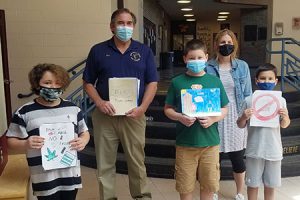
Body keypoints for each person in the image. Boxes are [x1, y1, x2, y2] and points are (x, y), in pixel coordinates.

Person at [82, 8, 158, 200]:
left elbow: (153, 83)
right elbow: (88, 82)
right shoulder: (98, 50)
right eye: (120, 23)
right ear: (112, 26)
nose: (125, 27)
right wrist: (98, 102)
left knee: (137, 162)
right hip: (105, 116)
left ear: (133, 26)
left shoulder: (144, 51)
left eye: (129, 23)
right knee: (105, 163)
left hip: (134, 115)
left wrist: (143, 108)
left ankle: (142, 197)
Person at [6, 63, 90, 200]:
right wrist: (26, 144)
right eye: (47, 82)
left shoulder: (73, 109)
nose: (53, 87)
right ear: (37, 84)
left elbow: (84, 132)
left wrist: (83, 141)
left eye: (58, 83)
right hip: (43, 176)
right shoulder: (24, 112)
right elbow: (11, 141)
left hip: (69, 173)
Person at [164, 39, 229, 200]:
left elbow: (224, 108)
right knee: (185, 187)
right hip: (185, 144)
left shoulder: (214, 82)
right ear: (185, 59)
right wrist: (180, 117)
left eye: (200, 58)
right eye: (192, 58)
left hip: (210, 144)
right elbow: (168, 109)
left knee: (209, 186)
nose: (196, 61)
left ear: (206, 57)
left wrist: (213, 119)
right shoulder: (177, 82)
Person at [206, 29, 252, 200]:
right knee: (214, 157)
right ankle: (214, 191)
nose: (226, 45)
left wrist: (246, 116)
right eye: (223, 42)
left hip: (236, 114)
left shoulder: (242, 66)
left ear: (235, 44)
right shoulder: (207, 66)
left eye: (229, 42)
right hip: (215, 113)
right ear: (216, 44)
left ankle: (240, 192)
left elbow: (247, 93)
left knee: (237, 157)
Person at [237, 63, 290, 200]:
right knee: (252, 185)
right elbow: (240, 124)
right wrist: (244, 116)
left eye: (270, 78)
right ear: (256, 80)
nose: (266, 81)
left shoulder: (281, 101)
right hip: (255, 150)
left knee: (270, 185)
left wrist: (285, 117)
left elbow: (284, 125)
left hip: (273, 150)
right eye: (263, 78)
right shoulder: (249, 100)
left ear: (275, 81)